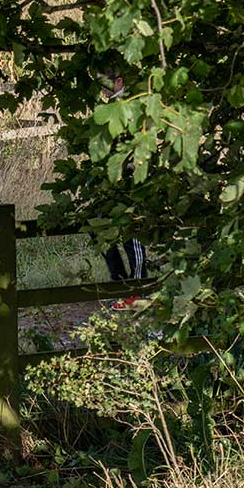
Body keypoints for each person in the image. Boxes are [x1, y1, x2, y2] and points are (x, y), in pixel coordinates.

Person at [99, 71, 149, 309]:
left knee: (133, 234)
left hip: (132, 176)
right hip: (113, 177)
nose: (101, 88)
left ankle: (138, 290)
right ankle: (120, 283)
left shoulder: (131, 106)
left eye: (105, 82)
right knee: (98, 226)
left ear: (119, 81)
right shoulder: (110, 107)